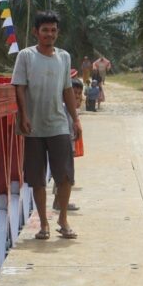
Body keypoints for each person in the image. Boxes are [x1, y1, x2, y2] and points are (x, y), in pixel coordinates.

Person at [11, 11, 81, 240]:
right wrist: (23, 115)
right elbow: (19, 87)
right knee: (37, 178)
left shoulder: (64, 57)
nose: (49, 34)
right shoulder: (26, 56)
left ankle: (63, 220)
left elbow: (67, 89)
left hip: (59, 123)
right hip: (33, 126)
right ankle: (43, 224)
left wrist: (76, 119)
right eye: (45, 30)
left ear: (57, 32)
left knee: (65, 175)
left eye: (53, 30)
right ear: (36, 32)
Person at [53, 77, 83, 212]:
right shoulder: (65, 108)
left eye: (79, 94)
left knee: (62, 175)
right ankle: (61, 202)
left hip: (67, 145)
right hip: (64, 145)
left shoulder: (71, 108)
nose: (76, 96)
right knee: (65, 175)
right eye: (74, 93)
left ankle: (58, 202)